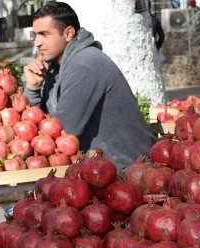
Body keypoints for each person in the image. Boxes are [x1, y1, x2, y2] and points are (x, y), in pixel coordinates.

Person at [23, 2, 153, 171]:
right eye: (35, 35)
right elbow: (43, 122)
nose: (37, 43)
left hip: (128, 171)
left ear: (68, 33)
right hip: (99, 168)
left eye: (44, 34)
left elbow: (61, 132)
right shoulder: (56, 66)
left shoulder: (85, 64)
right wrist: (33, 88)